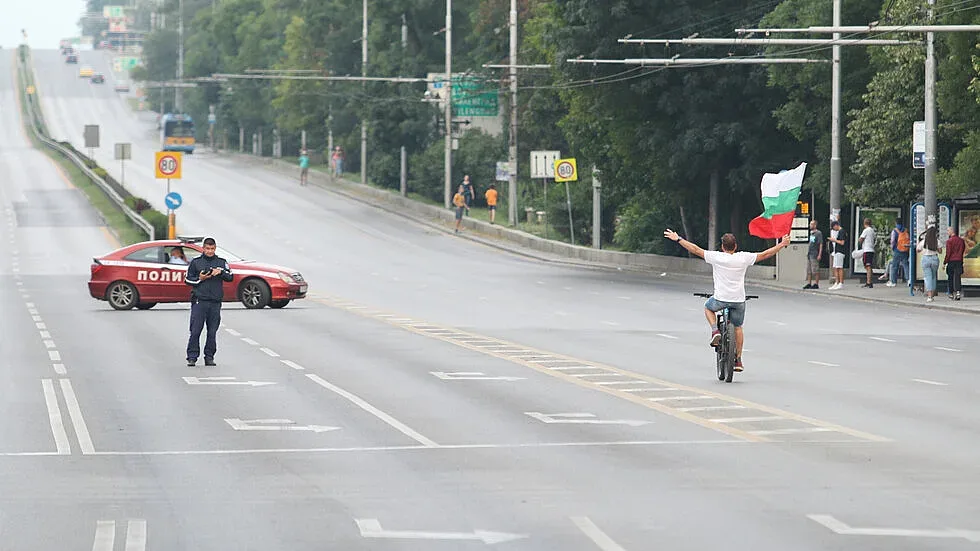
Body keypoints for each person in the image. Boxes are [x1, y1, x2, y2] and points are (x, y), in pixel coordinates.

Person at [663, 229, 790, 372]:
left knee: (708, 308)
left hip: (720, 299)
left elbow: (696, 249)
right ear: (735, 246)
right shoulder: (744, 258)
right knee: (738, 327)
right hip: (738, 300)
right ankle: (738, 360)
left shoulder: (716, 257)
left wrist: (678, 238)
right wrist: (782, 244)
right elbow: (766, 254)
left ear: (722, 247)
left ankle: (715, 331)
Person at [184, 237, 234, 366]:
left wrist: (220, 272)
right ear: (203, 248)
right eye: (207, 249)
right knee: (195, 331)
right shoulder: (196, 262)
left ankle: (209, 357)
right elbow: (188, 280)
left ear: (215, 248)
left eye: (212, 249)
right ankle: (192, 357)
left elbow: (230, 277)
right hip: (199, 301)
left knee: (212, 332)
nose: (210, 251)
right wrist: (200, 278)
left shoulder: (222, 262)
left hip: (215, 302)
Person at [917, 224, 941, 302]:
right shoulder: (937, 241)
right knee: (933, 277)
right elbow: (940, 251)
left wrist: (923, 250)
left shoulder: (924, 241)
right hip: (934, 258)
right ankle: (932, 294)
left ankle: (929, 296)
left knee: (928, 277)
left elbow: (918, 250)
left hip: (926, 259)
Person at [887, 220, 911, 287]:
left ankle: (893, 281)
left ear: (896, 223)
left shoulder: (894, 231)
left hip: (897, 250)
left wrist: (892, 248)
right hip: (905, 250)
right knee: (906, 265)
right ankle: (909, 280)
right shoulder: (906, 230)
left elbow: (892, 241)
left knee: (895, 266)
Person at [944, 225, 965, 300]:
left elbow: (948, 253)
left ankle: (951, 293)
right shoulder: (961, 241)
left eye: (948, 231)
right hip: (959, 260)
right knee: (957, 277)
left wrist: (945, 262)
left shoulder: (949, 241)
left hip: (951, 261)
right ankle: (958, 292)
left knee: (950, 277)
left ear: (951, 231)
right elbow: (963, 250)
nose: (947, 232)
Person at [827, 220, 847, 290]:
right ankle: (837, 282)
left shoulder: (842, 231)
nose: (834, 229)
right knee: (835, 267)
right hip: (836, 251)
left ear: (836, 225)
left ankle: (841, 282)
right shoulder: (839, 232)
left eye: (833, 228)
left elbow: (842, 242)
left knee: (839, 267)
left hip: (840, 251)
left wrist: (834, 240)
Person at [804, 220, 823, 289]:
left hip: (815, 253)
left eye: (811, 224)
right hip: (809, 253)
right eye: (810, 224)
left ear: (815, 225)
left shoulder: (818, 233)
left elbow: (820, 244)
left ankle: (816, 283)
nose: (810, 225)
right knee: (809, 270)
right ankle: (809, 283)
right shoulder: (811, 233)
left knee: (815, 269)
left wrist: (819, 254)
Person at [859, 218, 876, 288]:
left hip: (867, 250)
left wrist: (859, 240)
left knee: (867, 266)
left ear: (864, 223)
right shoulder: (872, 230)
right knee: (869, 266)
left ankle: (869, 282)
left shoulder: (866, 230)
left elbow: (861, 239)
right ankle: (869, 281)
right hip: (871, 249)